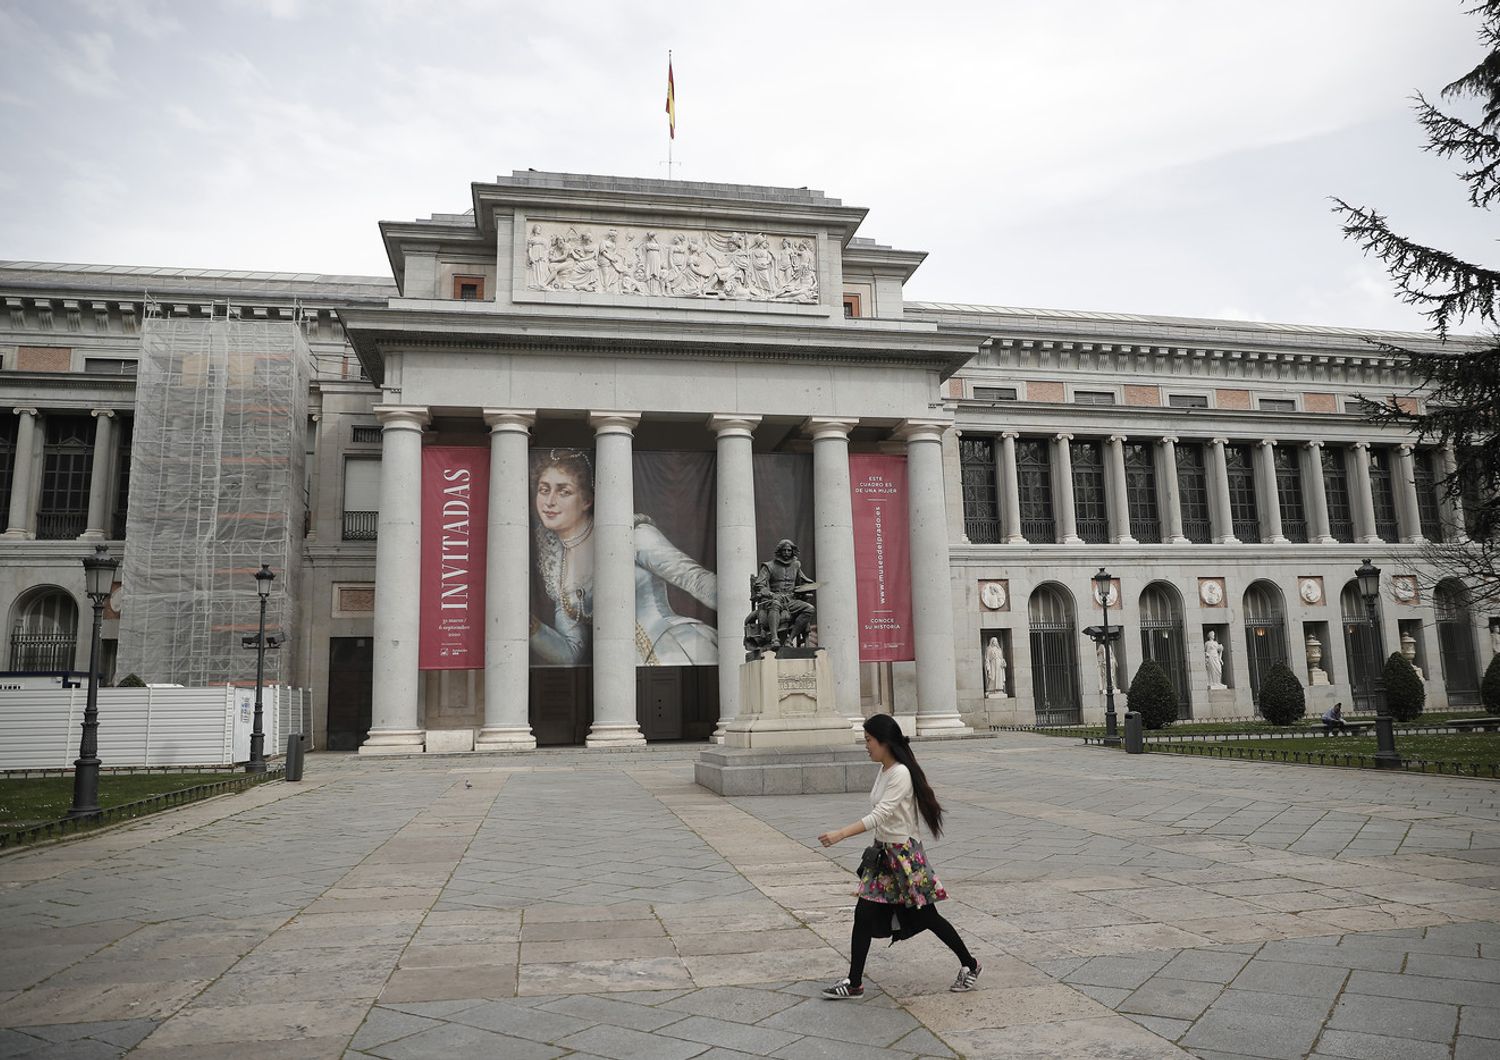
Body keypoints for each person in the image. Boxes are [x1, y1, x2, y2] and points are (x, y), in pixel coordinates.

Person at [817, 715, 981, 999]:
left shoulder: (900, 774)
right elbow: (881, 818)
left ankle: (970, 963)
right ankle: (854, 982)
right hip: (883, 855)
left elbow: (880, 814)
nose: (865, 745)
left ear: (884, 742)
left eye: (868, 740)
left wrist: (841, 834)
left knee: (928, 916)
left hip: (904, 858)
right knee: (863, 914)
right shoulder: (884, 770)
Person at [530, 449, 718, 666]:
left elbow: (697, 580)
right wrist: (531, 626)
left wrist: (753, 616)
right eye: (544, 490)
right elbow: (570, 653)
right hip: (621, 673)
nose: (549, 501)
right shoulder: (558, 572)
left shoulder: (632, 536)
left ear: (586, 501)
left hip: (678, 650)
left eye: (564, 492)